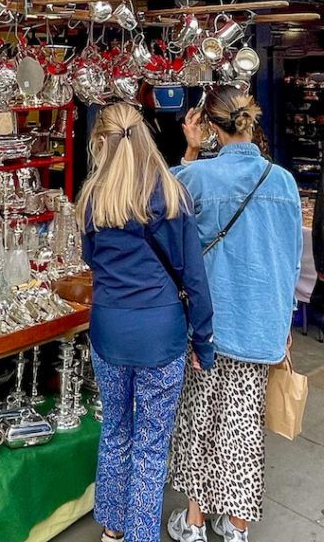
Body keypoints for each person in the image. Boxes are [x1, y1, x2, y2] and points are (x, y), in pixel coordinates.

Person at [167, 85, 302, 542]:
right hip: (262, 321)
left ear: (210, 125)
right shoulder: (282, 182)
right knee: (243, 425)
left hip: (209, 324)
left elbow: (159, 198)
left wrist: (189, 148)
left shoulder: (198, 177)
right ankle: (237, 526)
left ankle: (194, 522)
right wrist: (284, 320)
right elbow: (291, 259)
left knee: (199, 419)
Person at [77, 102, 214, 542]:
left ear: (100, 143)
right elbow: (193, 277)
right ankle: (139, 535)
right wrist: (204, 342)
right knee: (151, 446)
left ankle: (113, 530)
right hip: (161, 333)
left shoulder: (92, 198)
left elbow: (91, 260)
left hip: (109, 330)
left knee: (115, 430)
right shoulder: (171, 194)